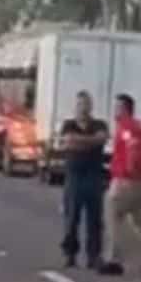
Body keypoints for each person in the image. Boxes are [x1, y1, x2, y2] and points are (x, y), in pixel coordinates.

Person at [99, 93, 141, 276]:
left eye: (118, 107)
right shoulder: (140, 126)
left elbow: (132, 150)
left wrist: (128, 172)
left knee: (112, 213)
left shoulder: (126, 128)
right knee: (140, 219)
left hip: (128, 180)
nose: (115, 111)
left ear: (125, 109)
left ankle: (113, 259)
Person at [58, 90, 110, 269]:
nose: (83, 108)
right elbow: (69, 140)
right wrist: (90, 142)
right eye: (80, 104)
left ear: (91, 106)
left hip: (94, 176)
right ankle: (70, 253)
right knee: (72, 217)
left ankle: (93, 255)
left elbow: (101, 139)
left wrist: (79, 142)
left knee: (95, 219)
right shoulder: (68, 124)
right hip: (74, 176)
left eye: (86, 104)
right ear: (76, 107)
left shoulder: (99, 124)